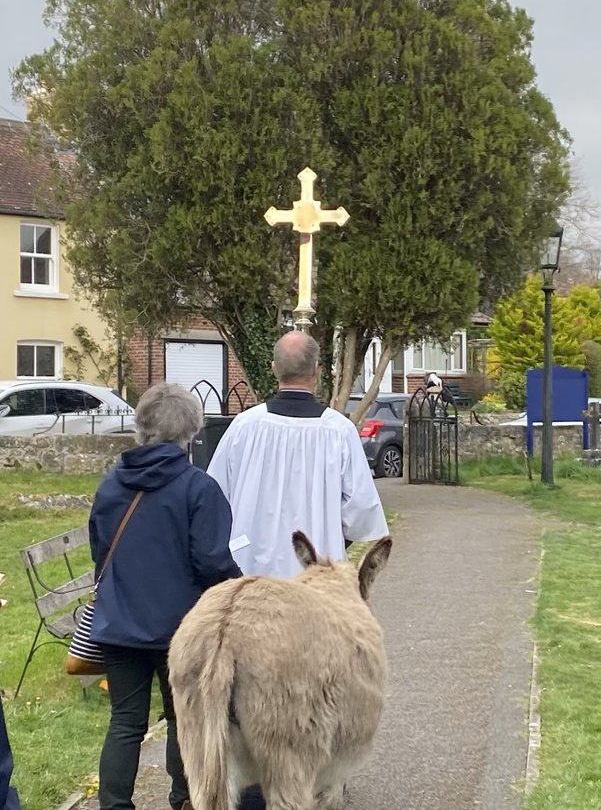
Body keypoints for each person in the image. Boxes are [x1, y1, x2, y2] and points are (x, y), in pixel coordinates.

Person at [89, 383, 243, 810]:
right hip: (181, 628)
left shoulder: (111, 484)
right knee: (183, 720)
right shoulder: (198, 488)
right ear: (191, 431)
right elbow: (213, 563)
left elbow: (100, 550)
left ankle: (114, 805)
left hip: (118, 624)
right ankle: (185, 799)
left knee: (124, 724)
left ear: (141, 427)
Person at [207, 330, 389, 577]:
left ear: (274, 369)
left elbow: (214, 497)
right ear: (317, 370)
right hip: (317, 574)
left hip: (251, 573)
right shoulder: (338, 431)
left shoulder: (244, 426)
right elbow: (360, 511)